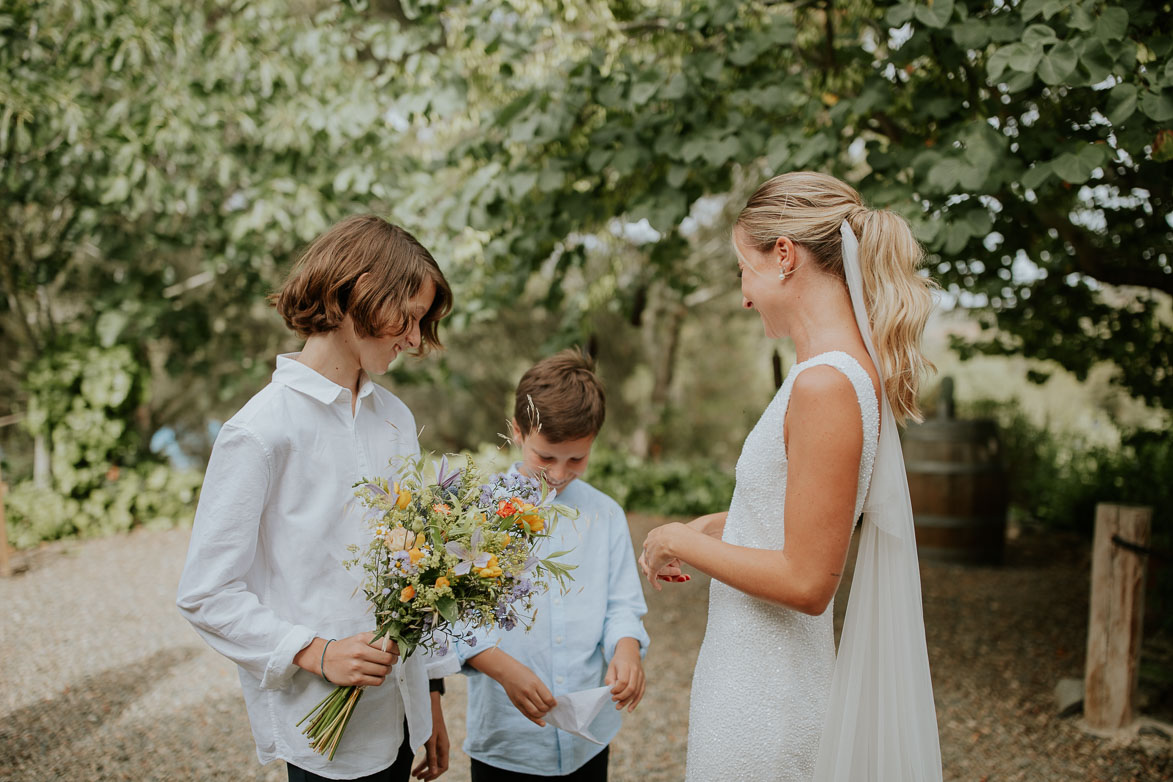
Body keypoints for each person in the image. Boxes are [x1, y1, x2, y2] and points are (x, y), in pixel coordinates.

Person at [640, 172, 943, 781]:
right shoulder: (838, 371)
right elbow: (806, 516)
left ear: (784, 256)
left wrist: (678, 538)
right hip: (753, 676)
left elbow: (808, 580)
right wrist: (718, 525)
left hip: (766, 697)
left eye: (742, 269)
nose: (744, 295)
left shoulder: (826, 383)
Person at [176, 215, 459, 782]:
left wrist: (428, 696)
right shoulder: (260, 430)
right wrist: (316, 652)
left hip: (400, 717)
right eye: (407, 317)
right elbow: (206, 593)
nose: (412, 338)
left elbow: (417, 573)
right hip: (321, 730)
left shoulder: (396, 419)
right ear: (359, 293)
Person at [454, 349, 650, 782]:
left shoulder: (607, 514)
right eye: (546, 457)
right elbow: (454, 617)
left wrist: (626, 647)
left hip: (587, 740)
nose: (559, 474)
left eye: (576, 460)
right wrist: (500, 667)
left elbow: (622, 604)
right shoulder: (476, 515)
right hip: (507, 740)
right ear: (518, 432)